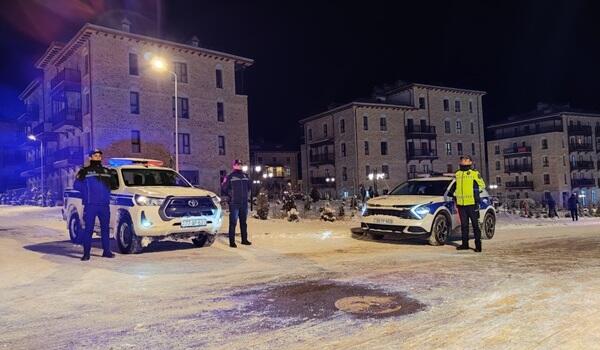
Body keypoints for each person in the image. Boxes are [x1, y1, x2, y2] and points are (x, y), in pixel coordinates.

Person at [74, 149, 114, 261]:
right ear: (90, 157)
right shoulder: (84, 171)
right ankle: (86, 254)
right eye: (95, 156)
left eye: (99, 156)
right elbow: (76, 185)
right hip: (90, 205)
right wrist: (87, 193)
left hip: (104, 205)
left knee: (105, 230)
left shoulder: (107, 171)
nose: (98, 158)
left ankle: (106, 251)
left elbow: (114, 185)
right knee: (89, 229)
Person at [451, 155, 486, 253]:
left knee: (475, 225)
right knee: (464, 226)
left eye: (466, 160)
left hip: (472, 203)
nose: (464, 161)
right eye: (463, 160)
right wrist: (454, 194)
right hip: (461, 204)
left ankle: (478, 246)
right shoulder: (457, 174)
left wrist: (475, 192)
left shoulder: (474, 173)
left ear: (470, 162)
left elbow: (482, 185)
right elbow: (455, 186)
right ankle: (465, 244)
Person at [221, 159, 251, 248]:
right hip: (234, 203)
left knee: (243, 222)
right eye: (237, 164)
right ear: (234, 165)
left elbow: (249, 187)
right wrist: (230, 196)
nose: (239, 166)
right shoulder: (230, 176)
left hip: (244, 203)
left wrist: (246, 196)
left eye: (240, 164)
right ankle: (232, 242)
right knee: (233, 223)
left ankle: (244, 240)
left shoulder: (246, 176)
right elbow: (224, 188)